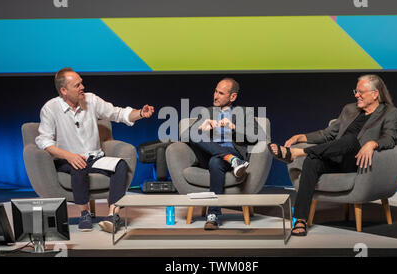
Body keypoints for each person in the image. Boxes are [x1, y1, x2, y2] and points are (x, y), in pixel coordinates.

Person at [268, 74, 397, 236]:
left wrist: (372, 143)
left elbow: (390, 138)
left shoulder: (390, 112)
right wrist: (301, 137)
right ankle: (301, 220)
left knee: (350, 141)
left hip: (358, 163)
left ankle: (298, 153)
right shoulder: (349, 109)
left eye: (361, 92)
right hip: (335, 158)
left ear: (375, 94)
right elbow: (327, 134)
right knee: (312, 161)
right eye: (355, 91)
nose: (356, 95)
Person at [35, 67, 154, 233]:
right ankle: (84, 213)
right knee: (79, 165)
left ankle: (113, 215)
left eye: (82, 83)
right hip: (66, 159)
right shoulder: (50, 108)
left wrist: (140, 113)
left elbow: (116, 114)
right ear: (64, 90)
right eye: (77, 85)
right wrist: (68, 156)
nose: (82, 87)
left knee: (120, 165)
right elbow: (44, 141)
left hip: (95, 158)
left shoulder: (91, 100)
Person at [183, 78, 261, 230]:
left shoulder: (244, 113)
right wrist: (201, 129)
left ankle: (212, 215)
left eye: (221, 93)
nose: (215, 96)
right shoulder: (206, 113)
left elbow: (256, 136)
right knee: (194, 133)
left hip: (229, 152)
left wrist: (234, 128)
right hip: (207, 154)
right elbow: (183, 137)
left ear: (232, 97)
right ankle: (232, 160)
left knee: (215, 161)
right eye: (215, 91)